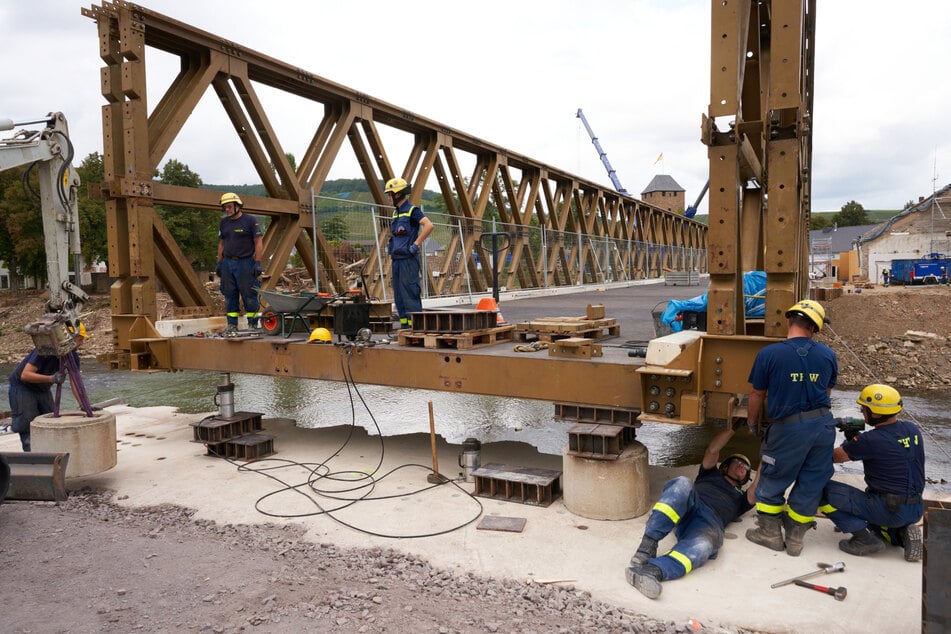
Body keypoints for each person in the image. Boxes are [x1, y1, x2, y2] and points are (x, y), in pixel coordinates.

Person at [745, 299, 838, 557]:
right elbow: (826, 392)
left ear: (789, 322)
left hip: (788, 429)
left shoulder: (769, 354)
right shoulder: (828, 355)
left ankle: (770, 534)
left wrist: (752, 423)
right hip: (823, 426)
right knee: (811, 481)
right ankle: (796, 539)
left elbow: (756, 394)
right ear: (814, 329)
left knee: (773, 478)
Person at [625, 426, 757, 599]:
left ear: (747, 477)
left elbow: (758, 488)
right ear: (724, 466)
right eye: (737, 462)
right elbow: (713, 449)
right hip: (691, 505)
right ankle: (647, 546)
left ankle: (651, 571)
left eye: (746, 467)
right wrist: (733, 427)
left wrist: (769, 454)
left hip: (709, 524)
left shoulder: (742, 498)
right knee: (682, 484)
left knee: (704, 546)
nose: (742, 466)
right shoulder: (709, 474)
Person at [819, 384, 925, 562]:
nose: (861, 411)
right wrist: (855, 439)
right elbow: (886, 448)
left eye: (864, 408)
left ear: (875, 414)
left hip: (887, 508)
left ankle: (864, 538)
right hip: (915, 507)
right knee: (877, 504)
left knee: (818, 489)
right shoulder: (912, 429)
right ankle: (899, 533)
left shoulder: (870, 440)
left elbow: (833, 457)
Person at [8, 322, 88, 452]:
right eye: (80, 339)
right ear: (69, 338)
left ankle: (51, 459)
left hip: (42, 389)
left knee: (50, 423)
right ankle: (34, 462)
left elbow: (76, 382)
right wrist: (51, 378)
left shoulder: (72, 356)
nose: (82, 343)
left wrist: (83, 404)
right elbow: (26, 375)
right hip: (23, 388)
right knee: (28, 426)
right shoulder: (45, 350)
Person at [384, 177, 434, 329]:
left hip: (408, 259)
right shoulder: (396, 213)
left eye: (390, 194)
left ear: (398, 194)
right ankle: (405, 327)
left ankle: (416, 328)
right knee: (399, 295)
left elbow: (429, 225)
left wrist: (416, 244)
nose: (388, 197)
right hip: (397, 259)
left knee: (410, 292)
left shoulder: (412, 210)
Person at [216, 192, 264, 331]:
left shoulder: (250, 221)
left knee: (249, 294)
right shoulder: (224, 223)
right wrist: (219, 262)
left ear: (238, 206)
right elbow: (221, 244)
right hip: (227, 263)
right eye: (225, 207)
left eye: (229, 207)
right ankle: (231, 325)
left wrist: (258, 262)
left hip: (245, 263)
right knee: (229, 294)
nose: (227, 210)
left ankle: (253, 324)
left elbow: (258, 242)